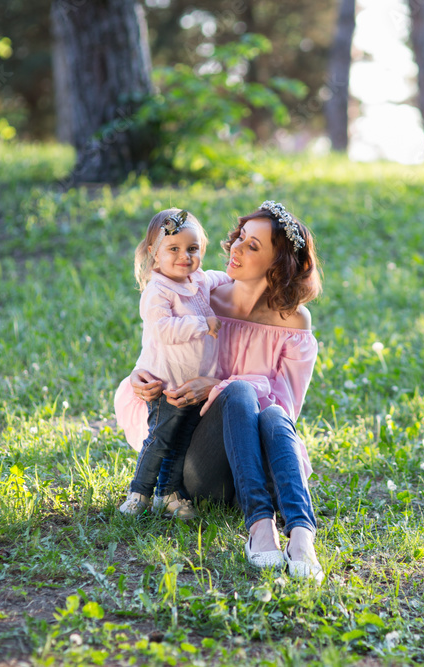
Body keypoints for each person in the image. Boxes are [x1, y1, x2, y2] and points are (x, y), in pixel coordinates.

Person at [114, 200, 325, 581]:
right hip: (200, 464)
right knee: (239, 393)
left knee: (271, 411)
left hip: (258, 462)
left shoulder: (294, 322)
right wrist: (138, 376)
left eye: (252, 246)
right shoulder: (202, 297)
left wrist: (218, 385)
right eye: (240, 237)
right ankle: (260, 526)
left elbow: (287, 406)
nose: (235, 248)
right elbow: (162, 349)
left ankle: (301, 536)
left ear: (278, 265)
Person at [117, 208, 228, 518]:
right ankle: (138, 492)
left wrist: (239, 277)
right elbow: (163, 329)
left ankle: (168, 494)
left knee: (181, 441)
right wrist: (202, 324)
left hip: (191, 385)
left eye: (193, 249)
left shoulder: (199, 279)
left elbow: (223, 278)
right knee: (160, 440)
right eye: (174, 249)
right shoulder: (158, 291)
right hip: (165, 384)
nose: (185, 257)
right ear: (154, 253)